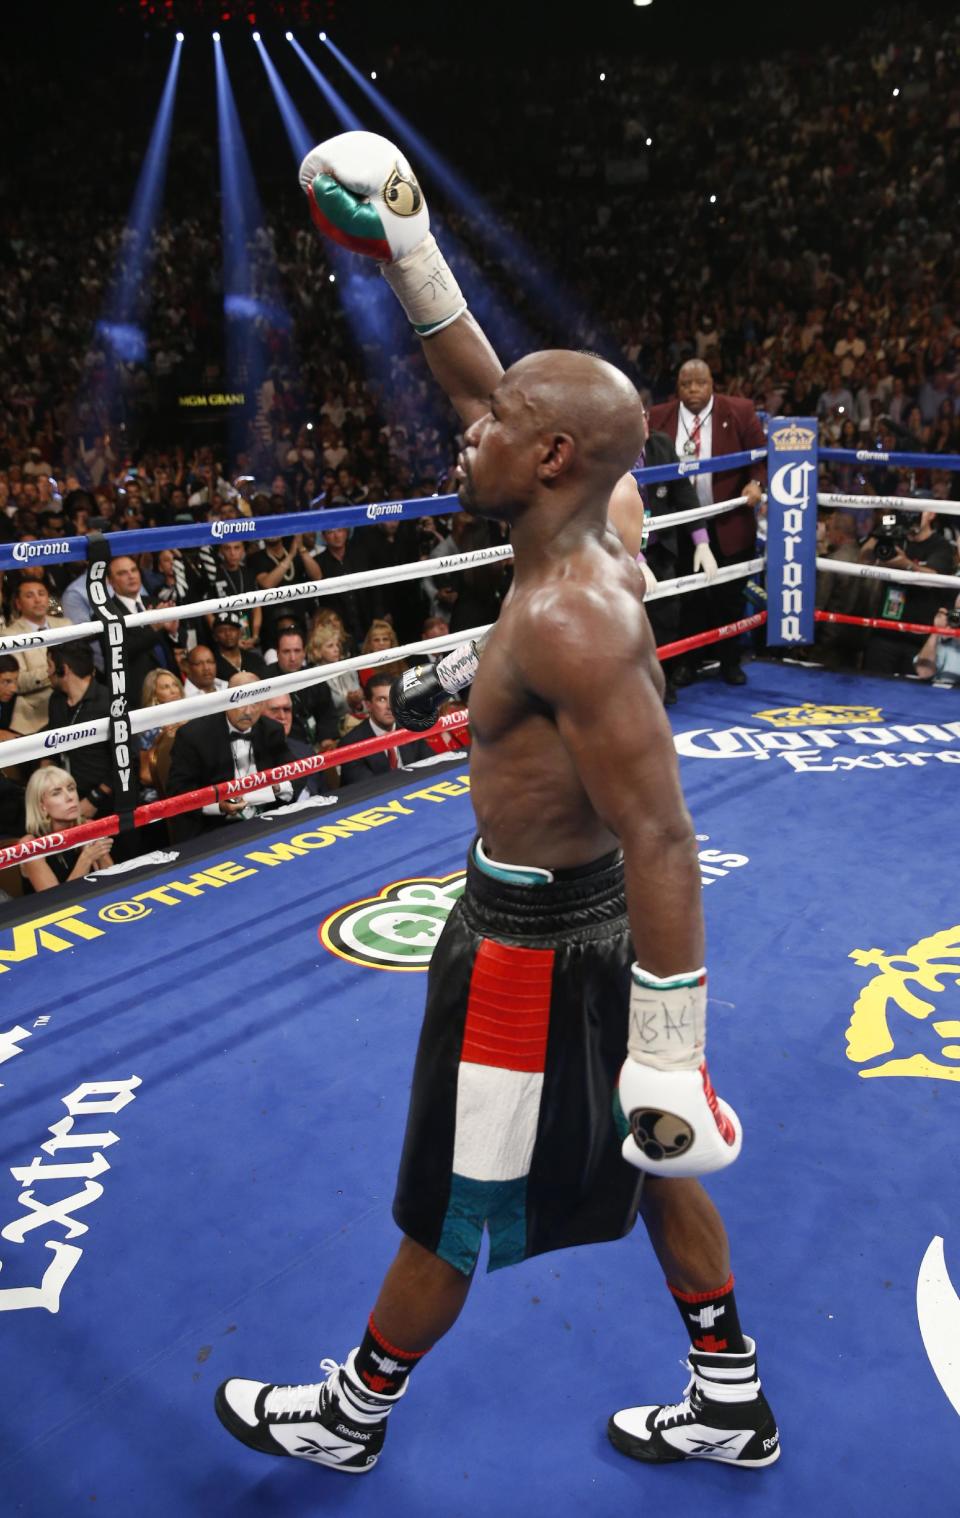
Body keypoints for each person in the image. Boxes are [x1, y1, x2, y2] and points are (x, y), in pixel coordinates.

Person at [216, 131, 777, 1475]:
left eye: (500, 432)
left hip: (534, 944)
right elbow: (493, 382)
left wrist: (668, 1043)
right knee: (653, 1170)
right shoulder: (585, 509)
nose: (470, 428)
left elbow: (663, 832)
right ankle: (732, 1393)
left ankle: (353, 1416)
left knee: (453, 1197)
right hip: (550, 915)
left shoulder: (575, 616)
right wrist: (412, 256)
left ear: (552, 458)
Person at [649, 361, 765, 685]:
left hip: (728, 520)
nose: (694, 390)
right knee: (687, 598)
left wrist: (757, 483)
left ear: (712, 383)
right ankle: (687, 663)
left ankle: (730, 661)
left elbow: (761, 456)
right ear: (678, 386)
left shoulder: (739, 411)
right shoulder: (660, 416)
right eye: (686, 384)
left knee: (729, 596)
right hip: (683, 523)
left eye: (700, 383)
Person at [166, 670, 295, 843]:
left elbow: (296, 773)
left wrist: (277, 786)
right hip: (214, 828)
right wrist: (218, 805)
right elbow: (178, 790)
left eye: (255, 703)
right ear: (227, 700)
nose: (248, 711)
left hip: (267, 820)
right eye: (241, 702)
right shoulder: (193, 736)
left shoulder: (272, 730)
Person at [19, 767, 112, 893]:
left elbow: (113, 880)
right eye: (56, 793)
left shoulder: (88, 826)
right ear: (42, 806)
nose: (70, 797)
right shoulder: (30, 846)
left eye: (71, 788)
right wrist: (86, 859)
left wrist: (100, 855)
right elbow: (55, 902)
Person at [335, 672, 433, 786]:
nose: (389, 706)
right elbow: (368, 789)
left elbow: (432, 765)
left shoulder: (411, 727)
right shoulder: (350, 744)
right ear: (368, 705)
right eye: (382, 699)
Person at [6, 579, 73, 733]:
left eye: (41, 594)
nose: (37, 599)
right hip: (36, 714)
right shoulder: (8, 634)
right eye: (29, 596)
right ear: (18, 603)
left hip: (74, 702)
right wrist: (56, 670)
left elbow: (82, 662)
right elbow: (18, 681)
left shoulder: (66, 624)